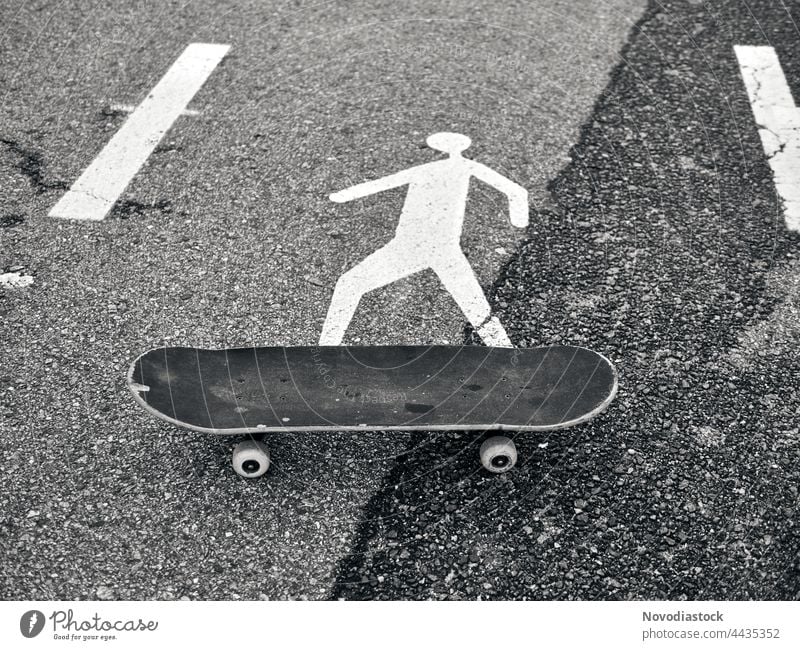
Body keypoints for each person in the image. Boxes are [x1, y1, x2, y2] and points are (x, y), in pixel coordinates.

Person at [320, 132, 528, 347]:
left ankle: (327, 347)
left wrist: (342, 195)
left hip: (420, 246)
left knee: (349, 284)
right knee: (475, 306)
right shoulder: (444, 168)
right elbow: (517, 192)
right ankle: (504, 349)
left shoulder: (452, 168)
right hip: (425, 246)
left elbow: (517, 192)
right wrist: (519, 220)